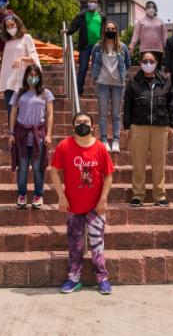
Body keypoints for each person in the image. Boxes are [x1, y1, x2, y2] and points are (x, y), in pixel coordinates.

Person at [50, 112, 114, 295]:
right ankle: (74, 278)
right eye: (79, 122)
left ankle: (102, 278)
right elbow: (54, 171)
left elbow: (108, 175)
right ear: (73, 126)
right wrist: (61, 196)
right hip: (73, 206)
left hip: (96, 207)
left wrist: (103, 199)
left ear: (93, 125)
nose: (82, 124)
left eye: (86, 122)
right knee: (74, 244)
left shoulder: (100, 148)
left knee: (97, 243)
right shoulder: (64, 146)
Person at [123, 51, 173, 207]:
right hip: (139, 126)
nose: (148, 63)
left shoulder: (165, 80)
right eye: (145, 60)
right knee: (138, 163)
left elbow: (172, 104)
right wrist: (127, 126)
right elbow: (127, 106)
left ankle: (160, 196)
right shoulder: (133, 81)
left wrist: (172, 124)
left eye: (151, 61)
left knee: (159, 164)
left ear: (156, 62)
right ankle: (137, 196)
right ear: (140, 62)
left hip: (161, 126)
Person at [8, 65, 54, 209]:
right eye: (30, 74)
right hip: (21, 134)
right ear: (26, 75)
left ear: (39, 76)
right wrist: (11, 133)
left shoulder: (46, 93)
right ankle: (22, 194)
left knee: (37, 167)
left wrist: (49, 134)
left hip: (38, 135)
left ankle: (38, 195)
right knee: (22, 167)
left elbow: (50, 114)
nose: (32, 77)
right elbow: (13, 114)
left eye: (35, 74)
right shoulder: (18, 93)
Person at [90, 20, 131, 152]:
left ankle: (116, 141)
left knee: (116, 114)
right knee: (102, 114)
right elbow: (94, 64)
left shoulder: (122, 47)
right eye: (108, 28)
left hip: (118, 85)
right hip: (102, 84)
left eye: (113, 29)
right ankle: (103, 140)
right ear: (104, 31)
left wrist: (121, 75)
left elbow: (128, 64)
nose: (110, 31)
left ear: (116, 31)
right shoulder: (97, 47)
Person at [0, 14, 41, 117]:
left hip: (23, 80)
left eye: (12, 25)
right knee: (10, 112)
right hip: (8, 81)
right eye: (7, 26)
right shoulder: (8, 42)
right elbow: (5, 64)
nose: (10, 28)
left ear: (17, 23)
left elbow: (34, 58)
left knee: (23, 111)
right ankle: (12, 132)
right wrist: (0, 80)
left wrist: (21, 58)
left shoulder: (27, 38)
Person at [65, 0, 106, 96]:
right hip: (85, 46)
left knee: (99, 68)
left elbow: (106, 29)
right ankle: (79, 91)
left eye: (95, 2)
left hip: (98, 46)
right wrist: (68, 31)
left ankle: (101, 91)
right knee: (83, 68)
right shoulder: (81, 15)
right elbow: (74, 26)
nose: (93, 3)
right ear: (87, 2)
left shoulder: (101, 16)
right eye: (91, 1)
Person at [130, 1, 167, 68]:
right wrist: (132, 46)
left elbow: (164, 35)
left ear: (156, 10)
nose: (151, 9)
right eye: (149, 7)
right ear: (146, 9)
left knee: (157, 70)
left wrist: (166, 46)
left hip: (158, 50)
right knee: (145, 69)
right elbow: (136, 34)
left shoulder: (160, 21)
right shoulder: (141, 21)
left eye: (153, 7)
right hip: (144, 49)